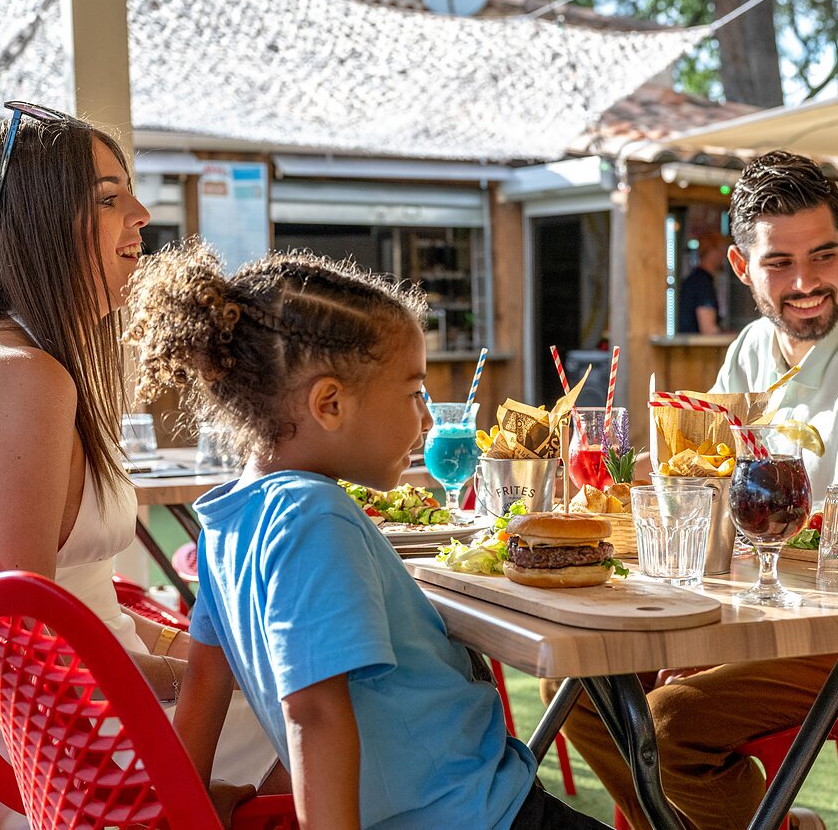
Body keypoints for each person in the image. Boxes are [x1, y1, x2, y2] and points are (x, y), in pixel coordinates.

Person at [543, 150, 838, 830]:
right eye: (779, 263)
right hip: (767, 612)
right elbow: (705, 486)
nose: (806, 282)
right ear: (741, 266)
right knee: (578, 687)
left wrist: (723, 642)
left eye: (824, 256)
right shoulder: (749, 351)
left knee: (673, 722)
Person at [124, 243, 607, 829]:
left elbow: (205, 682)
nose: (426, 420)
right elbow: (315, 716)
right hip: (477, 813)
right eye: (412, 392)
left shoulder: (229, 519)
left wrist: (185, 810)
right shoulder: (311, 517)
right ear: (329, 403)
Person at [0, 103, 277, 826]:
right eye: (107, 197)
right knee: (354, 700)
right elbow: (29, 656)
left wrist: (187, 652)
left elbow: (73, 595)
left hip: (86, 716)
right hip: (78, 755)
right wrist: (202, 671)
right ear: (35, 222)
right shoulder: (20, 379)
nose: (141, 211)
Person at [676, 233, 726, 334]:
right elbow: (708, 329)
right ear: (712, 252)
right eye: (721, 250)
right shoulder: (703, 283)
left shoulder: (696, 279)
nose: (724, 256)